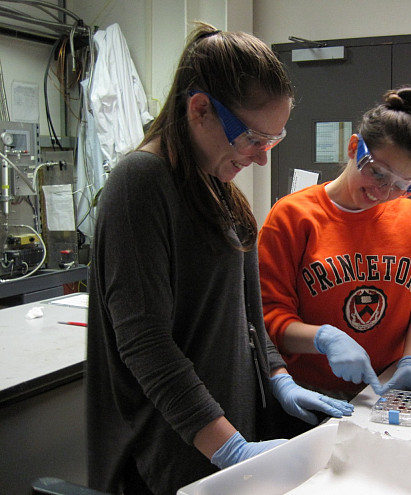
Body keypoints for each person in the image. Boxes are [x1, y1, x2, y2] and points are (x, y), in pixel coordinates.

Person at [86, 24, 353, 495]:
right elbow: (146, 344)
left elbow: (247, 316)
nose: (263, 158)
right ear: (200, 109)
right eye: (253, 138)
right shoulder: (140, 183)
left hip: (224, 436)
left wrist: (278, 376)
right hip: (172, 453)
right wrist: (228, 448)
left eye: (273, 140)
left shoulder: (217, 186)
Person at [258, 87, 411, 408]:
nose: (384, 192)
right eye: (377, 172)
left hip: (387, 386)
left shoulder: (409, 216)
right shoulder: (293, 216)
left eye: (403, 185)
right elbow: (268, 316)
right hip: (312, 393)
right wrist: (322, 339)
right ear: (354, 147)